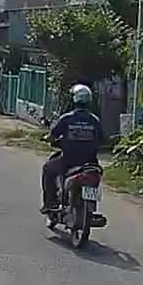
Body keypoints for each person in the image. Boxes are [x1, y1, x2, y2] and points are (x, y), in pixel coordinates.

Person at [41, 84, 105, 213]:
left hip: (68, 161)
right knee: (95, 176)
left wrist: (47, 139)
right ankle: (92, 206)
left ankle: (50, 203)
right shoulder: (94, 120)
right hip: (90, 162)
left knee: (47, 169)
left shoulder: (67, 118)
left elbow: (52, 136)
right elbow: (103, 140)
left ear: (74, 99)